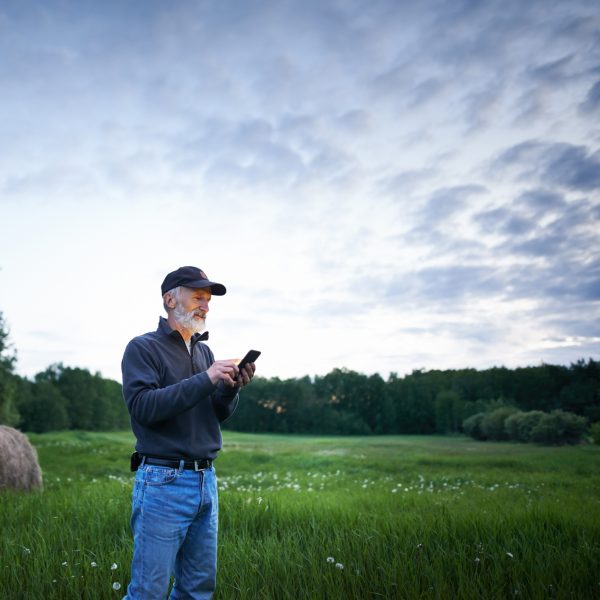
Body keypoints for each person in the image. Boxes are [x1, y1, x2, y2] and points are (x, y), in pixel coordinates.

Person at [121, 265, 256, 599]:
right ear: (170, 299)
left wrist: (229, 389)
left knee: (197, 589)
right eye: (198, 296)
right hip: (163, 482)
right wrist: (207, 378)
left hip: (205, 482)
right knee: (147, 591)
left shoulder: (204, 351)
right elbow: (144, 408)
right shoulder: (142, 348)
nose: (205, 306)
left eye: (208, 300)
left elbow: (214, 415)